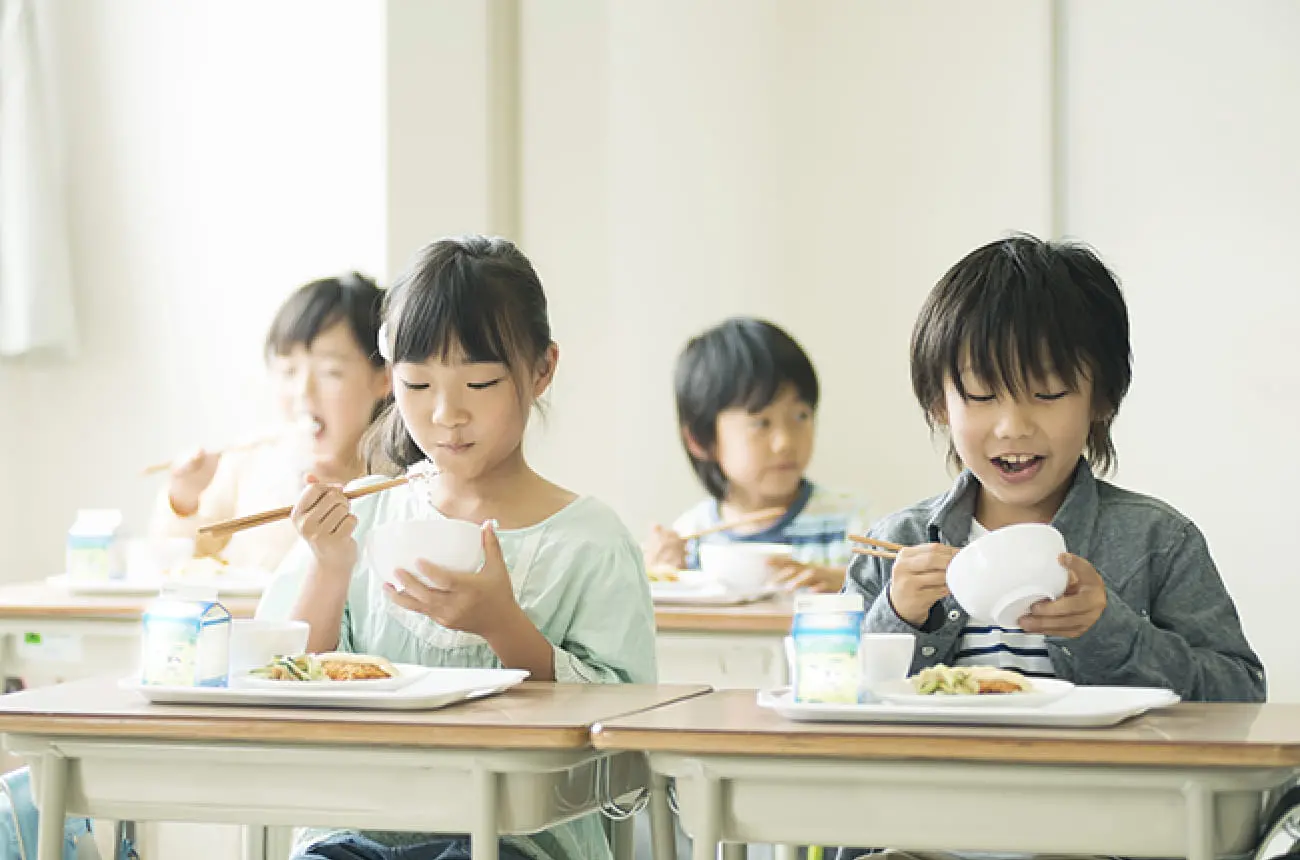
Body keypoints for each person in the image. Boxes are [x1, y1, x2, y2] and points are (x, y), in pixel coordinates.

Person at [276, 235, 656, 860]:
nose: (447, 414)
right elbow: (293, 677)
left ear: (542, 369)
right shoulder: (363, 513)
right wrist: (330, 567)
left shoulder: (590, 541)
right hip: (357, 830)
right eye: (418, 385)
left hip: (521, 838)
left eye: (479, 382)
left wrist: (505, 627)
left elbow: (624, 741)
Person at [847, 233, 1264, 702]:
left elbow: (1240, 698)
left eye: (1047, 394)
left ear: (1101, 398)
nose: (1013, 427)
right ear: (939, 404)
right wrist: (899, 618)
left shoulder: (1159, 542)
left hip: (1103, 777)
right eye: (982, 396)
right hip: (940, 777)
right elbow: (832, 692)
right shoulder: (901, 544)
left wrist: (1110, 633)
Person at [152, 273, 391, 569]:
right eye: (289, 371)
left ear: (384, 379)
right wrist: (184, 499)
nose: (303, 391)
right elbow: (180, 555)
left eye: (331, 372)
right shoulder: (250, 459)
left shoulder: (400, 475)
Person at [644, 317, 866, 593]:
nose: (784, 442)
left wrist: (851, 585)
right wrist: (659, 578)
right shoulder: (690, 540)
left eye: (800, 415)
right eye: (761, 423)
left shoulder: (853, 524)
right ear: (701, 440)